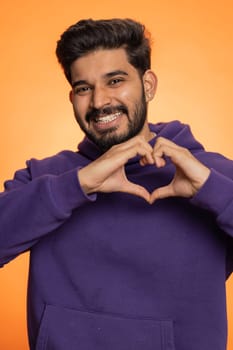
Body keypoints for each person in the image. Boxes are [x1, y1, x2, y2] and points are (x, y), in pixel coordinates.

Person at [0, 18, 233, 350]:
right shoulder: (47, 178)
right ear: (72, 97)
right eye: (84, 88)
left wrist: (216, 193)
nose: (99, 102)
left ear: (148, 84)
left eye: (115, 80)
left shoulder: (213, 176)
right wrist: (77, 185)